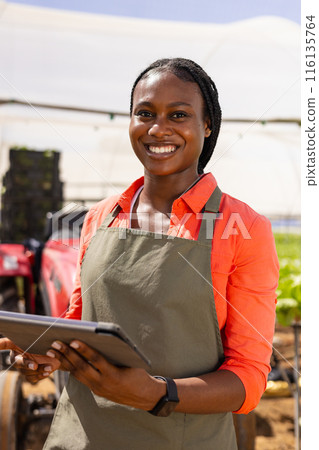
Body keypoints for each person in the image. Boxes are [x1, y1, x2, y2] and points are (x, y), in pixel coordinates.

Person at [1, 58, 279, 449]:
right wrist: (50, 354)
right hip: (81, 436)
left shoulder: (245, 227)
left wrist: (156, 393)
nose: (157, 128)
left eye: (178, 114)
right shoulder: (100, 216)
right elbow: (80, 323)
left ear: (207, 125)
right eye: (144, 113)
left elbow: (248, 377)